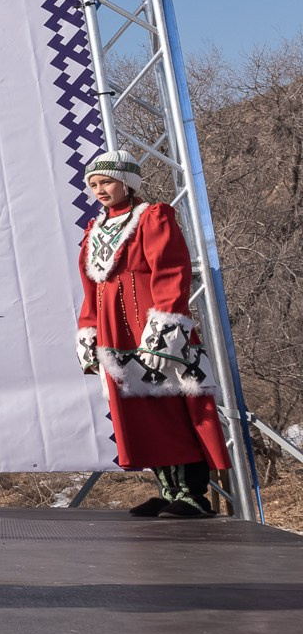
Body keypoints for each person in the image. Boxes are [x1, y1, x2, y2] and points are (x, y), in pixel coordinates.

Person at [75, 149, 230, 516]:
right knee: (141, 412)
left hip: (150, 328)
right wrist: (89, 329)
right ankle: (168, 490)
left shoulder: (152, 218)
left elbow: (170, 271)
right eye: (94, 184)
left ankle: (191, 494)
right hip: (116, 333)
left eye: (107, 182)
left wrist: (163, 326)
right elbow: (90, 287)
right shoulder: (95, 230)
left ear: (127, 183)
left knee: (172, 407)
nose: (100, 190)